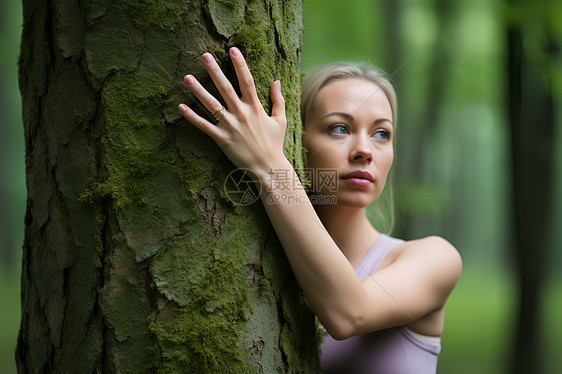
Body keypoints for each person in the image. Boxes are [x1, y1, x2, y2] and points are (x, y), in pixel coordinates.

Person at [178, 47, 462, 373]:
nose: (365, 151)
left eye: (381, 134)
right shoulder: (263, 265)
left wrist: (269, 165)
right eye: (340, 128)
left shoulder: (436, 258)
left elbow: (349, 313)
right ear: (298, 140)